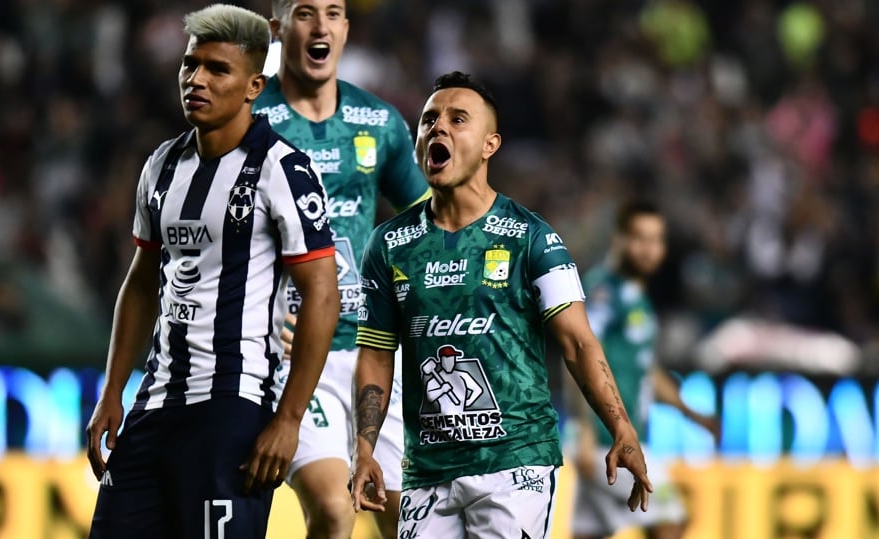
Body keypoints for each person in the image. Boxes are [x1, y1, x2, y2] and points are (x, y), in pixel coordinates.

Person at [349, 71, 653, 538]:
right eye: (429, 120)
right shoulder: (388, 244)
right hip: (427, 470)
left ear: (490, 144)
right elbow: (375, 352)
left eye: (458, 119)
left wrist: (621, 427)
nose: (438, 127)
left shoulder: (533, 238)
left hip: (515, 465)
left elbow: (578, 342)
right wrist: (365, 447)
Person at [84, 5, 340, 538]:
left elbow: (322, 293)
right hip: (154, 402)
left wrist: (288, 419)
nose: (196, 80)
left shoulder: (283, 169)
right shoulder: (160, 165)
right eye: (190, 64)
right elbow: (141, 282)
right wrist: (112, 392)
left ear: (253, 87)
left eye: (217, 69)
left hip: (233, 407)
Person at [253, 1, 429, 537]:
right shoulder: (249, 120)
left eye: (333, 13)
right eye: (306, 12)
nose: (321, 26)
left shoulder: (379, 122)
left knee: (411, 521)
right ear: (278, 28)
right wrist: (256, 319)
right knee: (334, 509)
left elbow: (431, 226)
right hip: (294, 355)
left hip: (375, 352)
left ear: (346, 29)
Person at [568, 201, 721, 539]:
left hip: (615, 437)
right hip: (607, 438)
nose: (650, 249)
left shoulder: (638, 297)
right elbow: (578, 353)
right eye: (640, 238)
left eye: (657, 240)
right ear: (620, 239)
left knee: (589, 533)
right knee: (670, 521)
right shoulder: (604, 289)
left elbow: (647, 370)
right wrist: (584, 429)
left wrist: (693, 415)